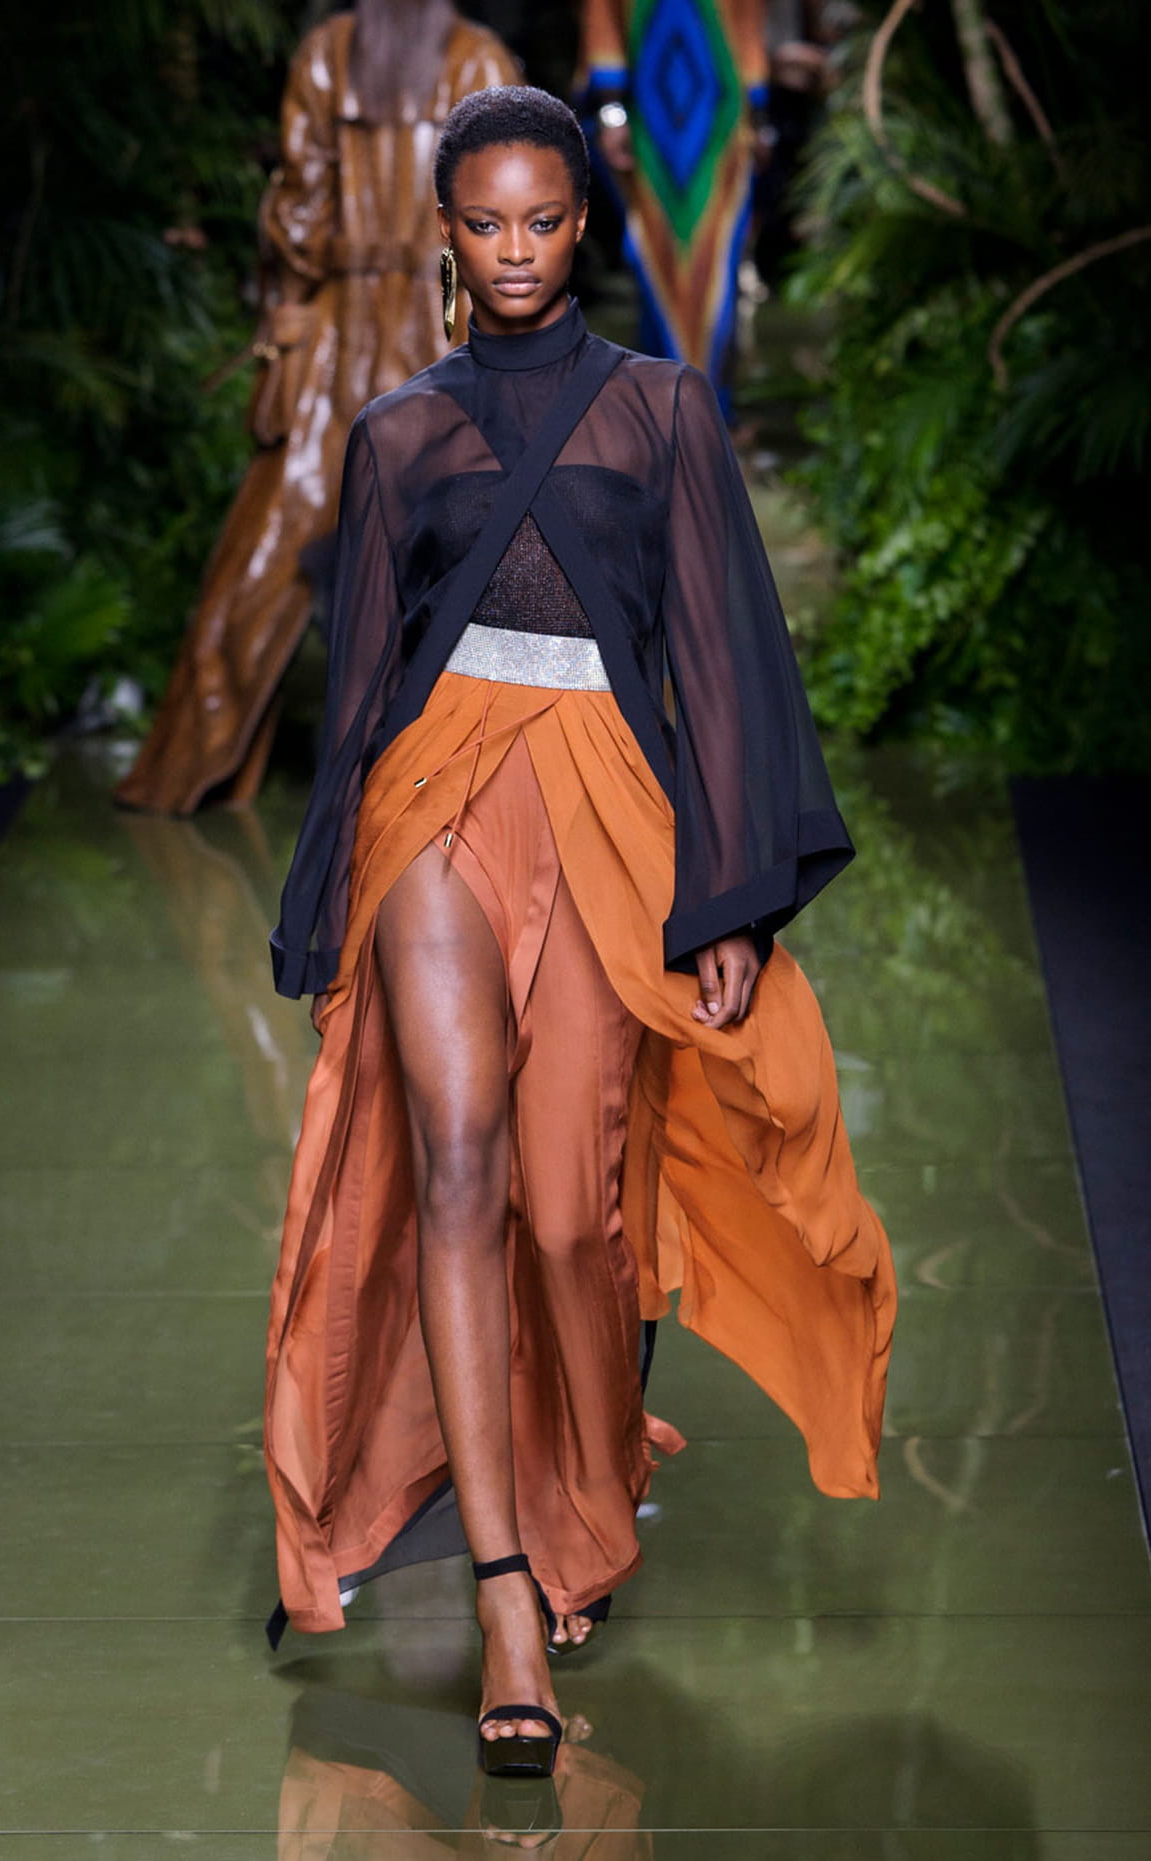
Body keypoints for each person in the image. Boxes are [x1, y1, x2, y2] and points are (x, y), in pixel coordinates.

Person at [264, 86, 895, 1781]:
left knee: (567, 1212)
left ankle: (587, 1486)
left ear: (581, 225)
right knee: (459, 1161)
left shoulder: (660, 410)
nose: (518, 251)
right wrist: (325, 910)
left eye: (544, 220)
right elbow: (360, 693)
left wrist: (731, 899)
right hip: (434, 798)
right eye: (487, 223)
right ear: (447, 233)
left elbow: (723, 652)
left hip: (608, 798)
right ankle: (504, 1600)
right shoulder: (398, 432)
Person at [114, 2, 519, 816]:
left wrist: (296, 288)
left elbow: (298, 215)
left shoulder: (328, 54)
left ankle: (182, 768)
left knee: (261, 559)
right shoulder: (478, 59)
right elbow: (506, 220)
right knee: (473, 555)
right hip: (446, 337)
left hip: (336, 339)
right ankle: (469, 779)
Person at [577, 0, 770, 398]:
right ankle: (668, 400)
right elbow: (602, 16)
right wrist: (612, 109)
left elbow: (748, 22)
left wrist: (759, 111)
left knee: (718, 255)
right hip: (647, 121)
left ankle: (708, 405)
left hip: (722, 123)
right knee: (654, 254)